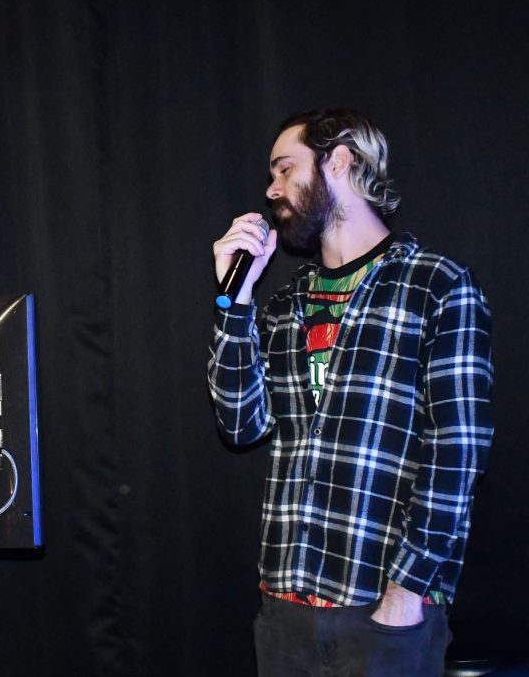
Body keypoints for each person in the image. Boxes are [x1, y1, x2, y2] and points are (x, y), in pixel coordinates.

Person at [207, 110, 493, 676]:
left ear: (338, 161)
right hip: (286, 606)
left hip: (383, 608)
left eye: (285, 169)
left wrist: (405, 595)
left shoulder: (435, 285)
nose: (272, 189)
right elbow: (240, 424)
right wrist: (234, 302)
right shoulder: (285, 304)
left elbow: (456, 453)